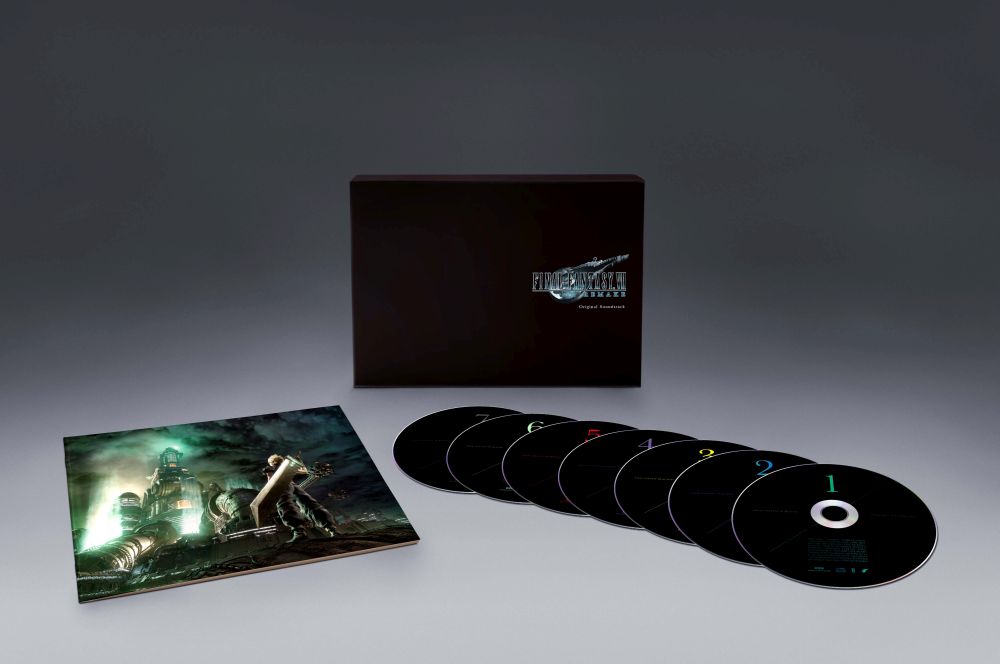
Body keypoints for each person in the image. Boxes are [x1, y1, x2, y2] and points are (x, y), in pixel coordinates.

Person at [263, 454, 338, 542]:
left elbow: (270, 481)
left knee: (285, 504)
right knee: (309, 503)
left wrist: (268, 473)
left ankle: (299, 532)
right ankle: (332, 529)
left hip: (282, 485)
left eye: (271, 463)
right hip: (294, 486)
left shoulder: (272, 468)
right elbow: (304, 471)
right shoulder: (287, 465)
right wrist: (299, 461)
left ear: (273, 462)